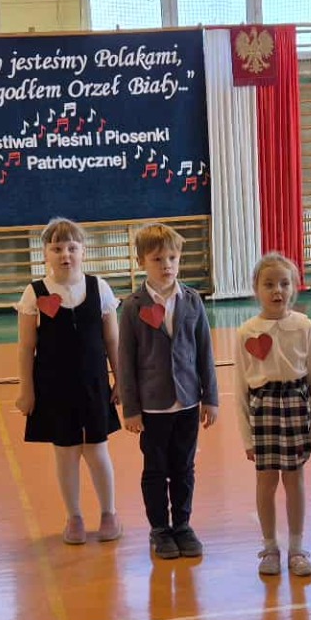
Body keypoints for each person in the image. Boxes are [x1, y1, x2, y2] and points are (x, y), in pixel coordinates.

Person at [16, 217, 124, 545]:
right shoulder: (35, 293)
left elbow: (112, 341)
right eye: (57, 248)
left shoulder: (99, 288)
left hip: (94, 385)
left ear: (83, 251)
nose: (65, 254)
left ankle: (109, 513)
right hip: (54, 387)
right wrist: (27, 391)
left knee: (97, 450)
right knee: (65, 453)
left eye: (72, 248)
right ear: (45, 254)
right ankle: (74, 516)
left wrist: (121, 380)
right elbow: (26, 347)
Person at [117, 223, 217, 560]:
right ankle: (160, 529)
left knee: (184, 468)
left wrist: (210, 397)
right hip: (153, 407)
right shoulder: (133, 306)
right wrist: (131, 408)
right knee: (156, 469)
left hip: (187, 403)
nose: (167, 265)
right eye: (157, 259)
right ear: (141, 262)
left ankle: (183, 525)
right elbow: (126, 361)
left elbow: (205, 352)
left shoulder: (192, 300)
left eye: (172, 258)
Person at [234, 253, 311, 577]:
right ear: (256, 289)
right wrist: (247, 437)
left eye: (284, 283)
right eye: (269, 284)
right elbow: (240, 388)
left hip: (297, 408)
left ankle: (297, 548)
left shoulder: (305, 327)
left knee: (295, 479)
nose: (277, 290)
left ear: (294, 287)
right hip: (264, 411)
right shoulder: (246, 331)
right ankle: (270, 547)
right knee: (266, 480)